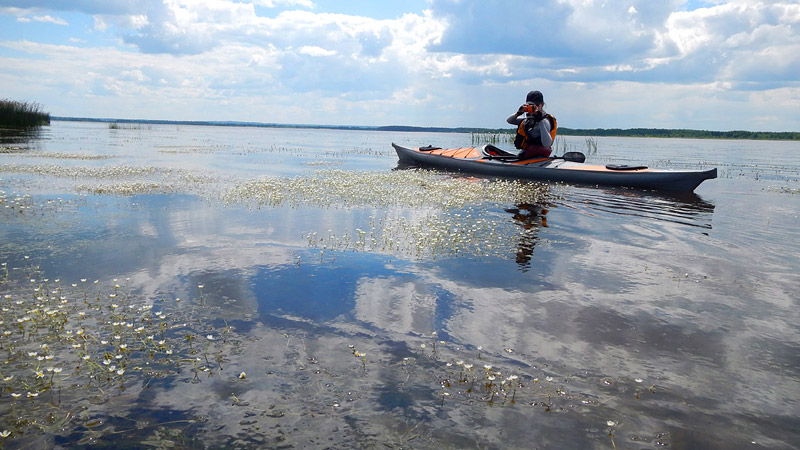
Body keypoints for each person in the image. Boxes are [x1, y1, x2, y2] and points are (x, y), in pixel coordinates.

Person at [506, 90, 557, 158]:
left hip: (539, 155)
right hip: (528, 153)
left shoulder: (545, 121)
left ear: (542, 105)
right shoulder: (527, 120)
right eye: (529, 105)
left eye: (535, 105)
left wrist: (540, 120)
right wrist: (518, 113)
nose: (532, 107)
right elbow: (509, 121)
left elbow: (547, 144)